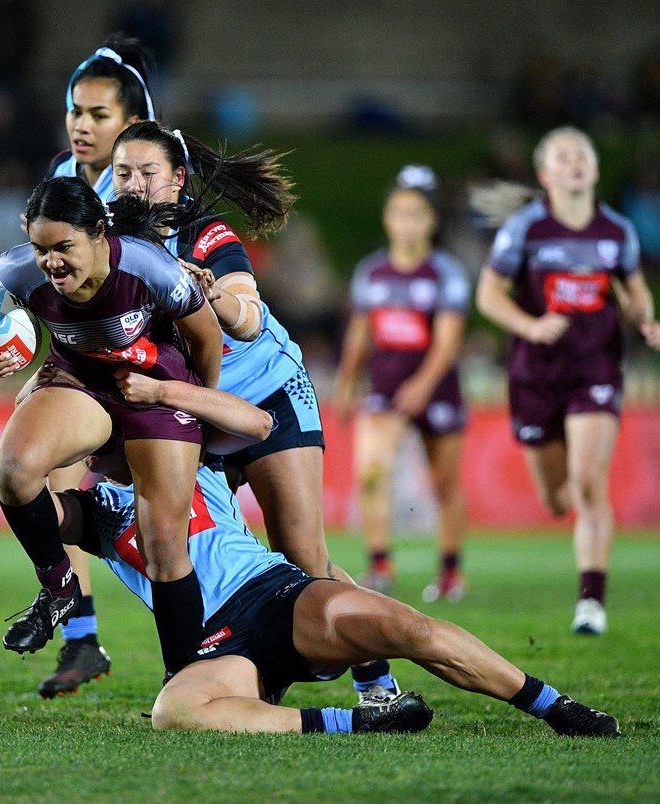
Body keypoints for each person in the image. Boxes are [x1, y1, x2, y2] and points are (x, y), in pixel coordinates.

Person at [45, 388, 619, 739]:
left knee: (407, 628)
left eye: (105, 436)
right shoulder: (95, 510)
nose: (95, 451)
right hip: (211, 645)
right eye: (90, 443)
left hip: (278, 600)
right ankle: (358, 722)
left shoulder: (196, 456)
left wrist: (161, 391)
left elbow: (257, 423)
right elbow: (27, 498)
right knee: (176, 711)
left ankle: (555, 707)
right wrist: (48, 422)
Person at [110, 120, 402, 702]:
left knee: (302, 557)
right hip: (193, 409)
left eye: (149, 173)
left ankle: (377, 679)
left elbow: (245, 313)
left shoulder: (207, 236)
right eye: (123, 174)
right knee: (188, 549)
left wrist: (210, 295)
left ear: (177, 180)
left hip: (264, 392)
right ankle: (212, 672)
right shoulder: (106, 237)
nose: (134, 186)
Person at [0, 176, 223, 679]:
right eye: (40, 248)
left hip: (155, 386)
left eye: (63, 247)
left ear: (99, 233)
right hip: (79, 380)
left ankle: (186, 682)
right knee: (15, 469)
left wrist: (194, 407)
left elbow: (206, 335)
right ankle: (59, 588)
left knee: (163, 545)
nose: (50, 262)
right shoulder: (20, 268)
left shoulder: (145, 265)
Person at [474, 126, 660, 636]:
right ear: (545, 174)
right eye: (563, 155)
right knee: (558, 500)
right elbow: (488, 296)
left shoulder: (617, 230)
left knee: (587, 481)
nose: (575, 161)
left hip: (595, 368)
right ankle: (584, 529)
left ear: (595, 170)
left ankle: (591, 603)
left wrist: (645, 318)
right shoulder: (526, 230)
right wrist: (530, 326)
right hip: (536, 375)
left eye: (583, 154)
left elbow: (634, 289)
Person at [40, 34, 159, 698]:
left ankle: (364, 659)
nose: (82, 127)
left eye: (98, 115)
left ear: (132, 123)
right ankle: (82, 639)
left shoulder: (151, 178)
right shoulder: (62, 177)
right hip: (91, 363)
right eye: (75, 111)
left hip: (161, 370)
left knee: (270, 533)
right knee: (41, 480)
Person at [333, 165, 470, 603]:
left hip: (437, 391)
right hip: (385, 389)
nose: (407, 223)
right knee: (371, 472)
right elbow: (359, 333)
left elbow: (448, 343)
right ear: (387, 218)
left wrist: (424, 386)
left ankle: (450, 573)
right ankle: (380, 565)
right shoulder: (371, 273)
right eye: (399, 213)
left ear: (431, 221)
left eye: (416, 214)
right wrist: (346, 381)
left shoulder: (446, 274)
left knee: (443, 484)